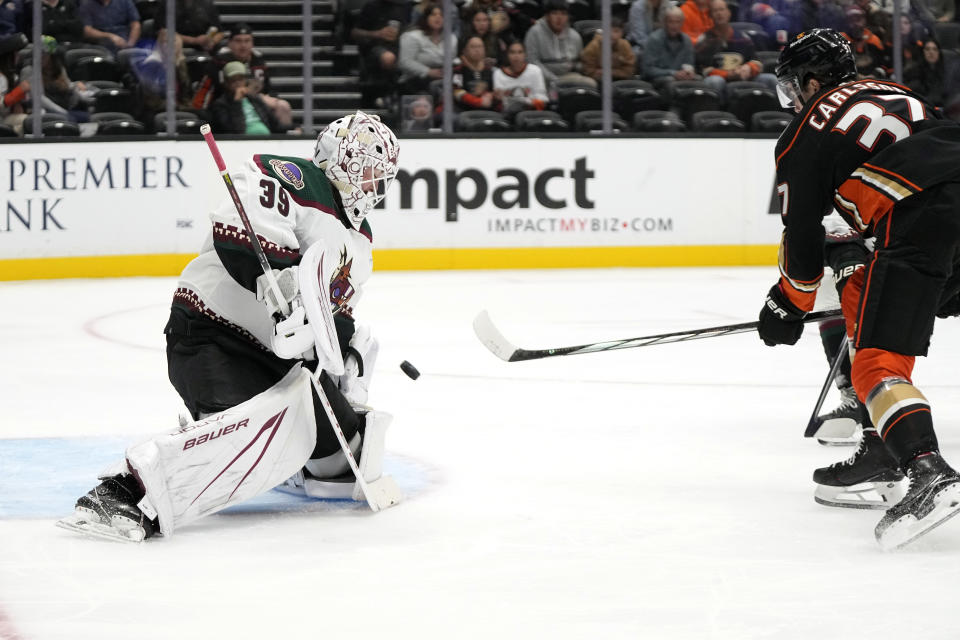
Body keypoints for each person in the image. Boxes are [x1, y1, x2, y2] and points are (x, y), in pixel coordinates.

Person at [58, 111, 401, 542]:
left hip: (277, 361)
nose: (370, 180)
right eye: (361, 164)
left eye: (379, 173)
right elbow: (238, 235)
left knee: (344, 459)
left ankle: (288, 464)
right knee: (247, 438)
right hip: (209, 335)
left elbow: (333, 312)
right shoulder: (291, 177)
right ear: (333, 155)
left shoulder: (361, 243)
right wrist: (278, 283)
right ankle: (126, 492)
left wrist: (345, 351)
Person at [757, 28, 960, 549]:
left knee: (877, 362)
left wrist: (788, 301)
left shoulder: (806, 130)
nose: (792, 97)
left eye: (793, 86)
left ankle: (926, 468)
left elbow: (802, 232)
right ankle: (879, 445)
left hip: (921, 216)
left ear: (811, 80)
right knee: (864, 284)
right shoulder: (897, 92)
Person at [208, 23, 293, 129]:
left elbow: (268, 87)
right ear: (229, 43)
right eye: (238, 41)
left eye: (247, 41)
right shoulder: (219, 62)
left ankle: (286, 135)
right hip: (229, 104)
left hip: (257, 102)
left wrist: (265, 98)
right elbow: (217, 91)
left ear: (252, 43)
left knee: (283, 106)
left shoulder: (258, 61)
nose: (243, 46)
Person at [694, 0, 777, 99]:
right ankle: (718, 113)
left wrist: (749, 68)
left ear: (729, 13)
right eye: (715, 11)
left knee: (770, 79)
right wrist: (728, 74)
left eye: (721, 9)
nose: (719, 13)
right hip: (720, 78)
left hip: (744, 76)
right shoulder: (705, 39)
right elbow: (703, 70)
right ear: (710, 15)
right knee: (714, 81)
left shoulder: (743, 37)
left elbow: (756, 62)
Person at [350, 0, 414, 105]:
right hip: (376, 47)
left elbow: (416, 27)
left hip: (403, 45)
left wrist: (405, 33)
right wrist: (378, 34)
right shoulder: (371, 6)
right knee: (388, 57)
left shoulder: (406, 6)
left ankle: (396, 95)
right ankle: (387, 95)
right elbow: (355, 33)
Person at [523, 0, 594, 90]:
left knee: (590, 85)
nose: (559, 18)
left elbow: (579, 62)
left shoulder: (574, 36)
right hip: (542, 78)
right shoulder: (534, 33)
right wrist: (553, 79)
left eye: (563, 14)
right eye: (554, 13)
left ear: (568, 17)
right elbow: (532, 61)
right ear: (547, 16)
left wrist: (576, 66)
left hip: (567, 76)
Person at [210, 59, 284, 134]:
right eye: (233, 80)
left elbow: (275, 124)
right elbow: (234, 131)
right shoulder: (220, 105)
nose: (238, 83)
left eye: (240, 79)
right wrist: (237, 103)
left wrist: (292, 129)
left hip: (267, 138)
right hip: (241, 142)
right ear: (226, 83)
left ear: (245, 80)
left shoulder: (254, 98)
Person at [398, 2, 455, 93]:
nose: (438, 17)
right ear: (426, 18)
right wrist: (428, 71)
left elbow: (452, 61)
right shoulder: (412, 36)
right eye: (433, 14)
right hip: (414, 82)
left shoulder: (451, 38)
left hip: (442, 82)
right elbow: (405, 62)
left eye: (441, 15)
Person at [641, 6, 699, 92]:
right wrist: (673, 73)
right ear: (664, 23)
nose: (674, 26)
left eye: (677, 22)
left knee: (700, 82)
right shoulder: (654, 39)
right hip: (657, 81)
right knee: (671, 82)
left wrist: (688, 73)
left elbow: (689, 65)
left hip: (681, 79)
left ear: (682, 23)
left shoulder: (687, 40)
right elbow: (647, 70)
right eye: (671, 22)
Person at [493, 40, 548, 119]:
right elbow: (500, 105)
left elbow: (543, 100)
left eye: (520, 52)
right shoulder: (498, 73)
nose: (516, 56)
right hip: (507, 117)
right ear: (507, 55)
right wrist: (497, 99)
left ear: (525, 55)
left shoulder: (535, 71)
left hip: (532, 115)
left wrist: (527, 102)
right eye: (512, 52)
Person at [905, 37, 960, 109]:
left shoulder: (947, 73)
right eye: (927, 49)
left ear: (939, 52)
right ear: (923, 52)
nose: (931, 52)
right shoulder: (913, 72)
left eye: (934, 49)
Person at [451, 35, 500, 111]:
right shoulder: (458, 71)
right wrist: (478, 101)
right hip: (463, 110)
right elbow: (457, 92)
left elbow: (496, 92)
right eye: (473, 47)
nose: (477, 50)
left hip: (487, 110)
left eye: (480, 47)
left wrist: (492, 95)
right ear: (464, 51)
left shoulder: (492, 71)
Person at [580, 17, 637, 82]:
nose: (611, 35)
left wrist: (608, 72)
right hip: (599, 81)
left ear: (622, 33)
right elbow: (588, 71)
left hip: (621, 79)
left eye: (616, 31)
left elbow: (629, 71)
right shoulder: (593, 46)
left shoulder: (625, 45)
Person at [153, 0, 222, 52]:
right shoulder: (166, 3)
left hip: (205, 48)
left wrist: (212, 41)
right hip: (176, 48)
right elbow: (162, 32)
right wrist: (194, 41)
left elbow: (220, 32)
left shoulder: (207, 3)